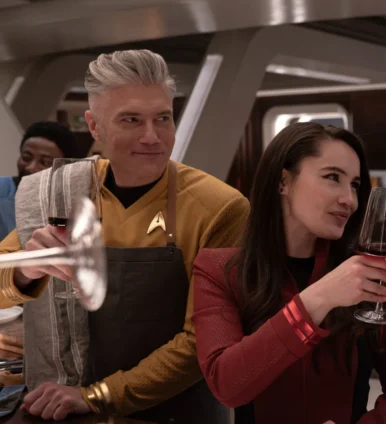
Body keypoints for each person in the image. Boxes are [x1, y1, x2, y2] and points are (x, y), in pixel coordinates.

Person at [0, 49, 249, 423]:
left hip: (177, 411)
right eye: (131, 120)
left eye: (162, 118)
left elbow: (202, 341)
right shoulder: (58, 193)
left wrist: (97, 396)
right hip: (71, 405)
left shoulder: (220, 207)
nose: (152, 137)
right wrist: (26, 271)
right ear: (95, 126)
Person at [192, 122, 386, 424]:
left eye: (355, 185)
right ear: (283, 182)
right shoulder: (218, 270)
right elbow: (226, 385)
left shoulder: (369, 272)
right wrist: (319, 298)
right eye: (333, 177)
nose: (350, 200)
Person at [0, 121, 79, 240]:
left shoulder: (71, 204)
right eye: (26, 157)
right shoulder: (3, 190)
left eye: (45, 162)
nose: (30, 167)